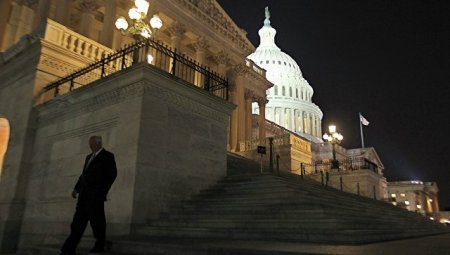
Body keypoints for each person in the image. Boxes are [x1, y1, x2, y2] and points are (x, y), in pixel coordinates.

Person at [61, 136, 117, 255]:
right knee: (77, 223)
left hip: (96, 196)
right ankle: (68, 249)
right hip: (84, 196)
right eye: (89, 144)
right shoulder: (88, 157)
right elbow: (84, 175)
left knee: (97, 221)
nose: (90, 146)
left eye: (92, 144)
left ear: (99, 143)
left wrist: (102, 192)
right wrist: (76, 189)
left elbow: (112, 175)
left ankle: (100, 244)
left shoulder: (108, 156)